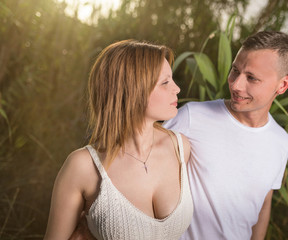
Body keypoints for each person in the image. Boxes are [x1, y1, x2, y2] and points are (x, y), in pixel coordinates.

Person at [44, 40, 193, 240]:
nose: (177, 89)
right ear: (132, 89)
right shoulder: (83, 167)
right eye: (165, 82)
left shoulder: (180, 148)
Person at [163, 31, 288, 239]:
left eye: (251, 78)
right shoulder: (192, 117)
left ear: (283, 85)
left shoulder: (281, 142)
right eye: (235, 71)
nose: (235, 85)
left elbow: (263, 204)